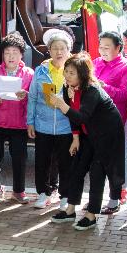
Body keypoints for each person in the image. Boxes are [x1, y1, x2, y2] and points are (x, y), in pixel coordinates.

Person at [46, 54, 125, 230]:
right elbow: (74, 119)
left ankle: (91, 215)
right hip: (88, 133)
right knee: (77, 168)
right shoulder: (69, 88)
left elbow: (82, 116)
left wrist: (62, 105)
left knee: (97, 172)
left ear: (82, 74)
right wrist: (75, 137)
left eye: (71, 73)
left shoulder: (92, 90)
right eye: (66, 71)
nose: (67, 75)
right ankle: (70, 210)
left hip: (107, 135)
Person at [27, 29, 75, 209]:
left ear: (69, 50)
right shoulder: (40, 70)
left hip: (66, 126)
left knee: (65, 163)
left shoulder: (74, 70)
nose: (59, 52)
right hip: (43, 124)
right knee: (42, 161)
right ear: (49, 50)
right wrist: (30, 121)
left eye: (63, 48)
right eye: (55, 48)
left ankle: (65, 196)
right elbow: (32, 97)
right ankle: (43, 193)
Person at [0, 34, 33, 202]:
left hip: (18, 123)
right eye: (7, 52)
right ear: (2, 55)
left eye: (15, 52)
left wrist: (26, 95)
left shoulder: (29, 73)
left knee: (20, 158)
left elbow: (34, 98)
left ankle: (19, 191)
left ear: (21, 54)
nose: (11, 56)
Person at [93, 31, 127, 212]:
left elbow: (126, 94)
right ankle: (96, 199)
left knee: (116, 160)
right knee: (97, 161)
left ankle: (115, 198)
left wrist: (105, 87)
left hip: (116, 120)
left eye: (107, 47)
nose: (102, 50)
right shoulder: (95, 63)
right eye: (101, 46)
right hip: (95, 119)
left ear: (118, 48)